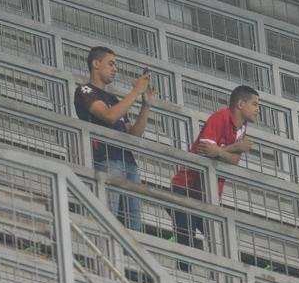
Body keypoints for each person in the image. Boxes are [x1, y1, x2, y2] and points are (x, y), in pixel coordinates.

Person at [170, 85, 259, 248]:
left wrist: (220, 151)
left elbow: (233, 160)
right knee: (187, 242)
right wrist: (234, 147)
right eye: (254, 104)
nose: (257, 110)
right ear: (241, 104)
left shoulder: (242, 127)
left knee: (221, 241)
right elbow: (205, 151)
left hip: (209, 194)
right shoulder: (221, 117)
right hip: (187, 187)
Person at [74, 46, 153, 230]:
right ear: (95, 63)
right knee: (108, 215)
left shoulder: (114, 98)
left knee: (134, 222)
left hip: (128, 161)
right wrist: (134, 92)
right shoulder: (85, 90)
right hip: (106, 158)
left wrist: (146, 106)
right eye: (111, 64)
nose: (115, 69)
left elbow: (133, 133)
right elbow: (109, 116)